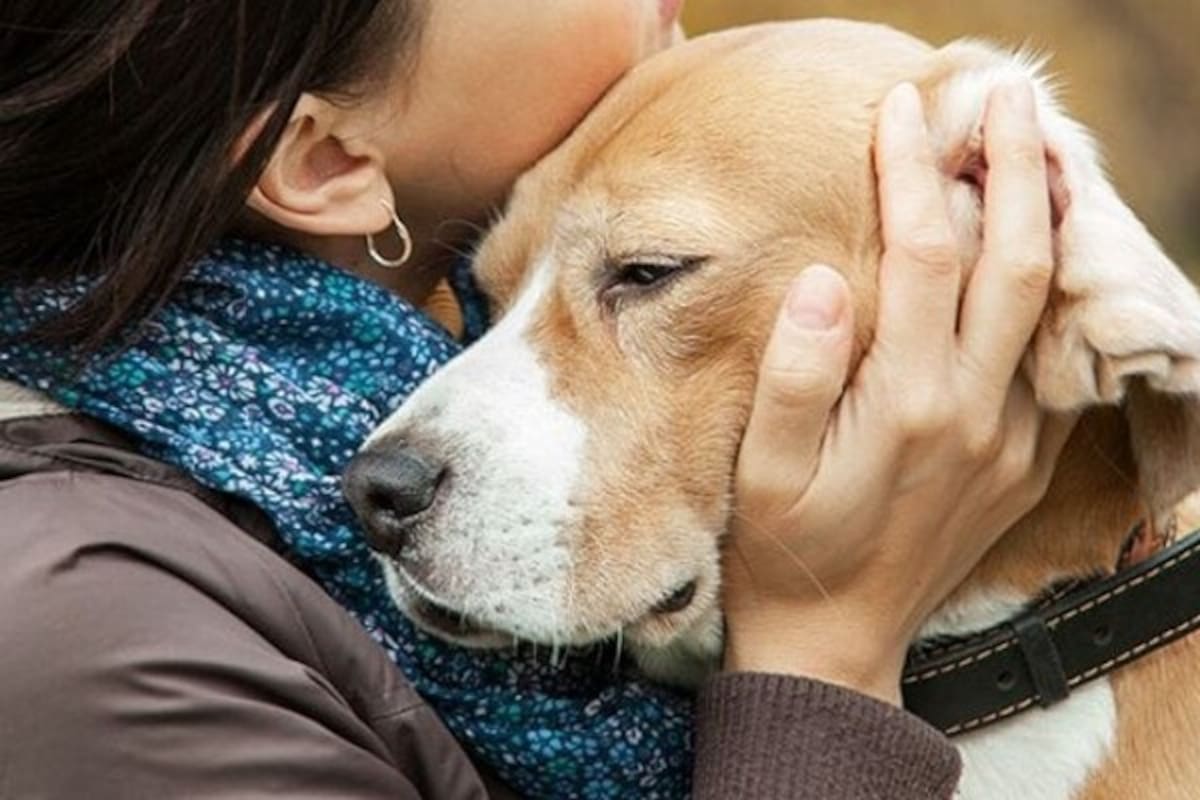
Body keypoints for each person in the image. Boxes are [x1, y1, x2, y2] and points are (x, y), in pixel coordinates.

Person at [0, 2, 1066, 798]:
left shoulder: (428, 376)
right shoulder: (89, 632)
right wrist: (820, 663)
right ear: (327, 161)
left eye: (642, 275)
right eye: (647, 272)